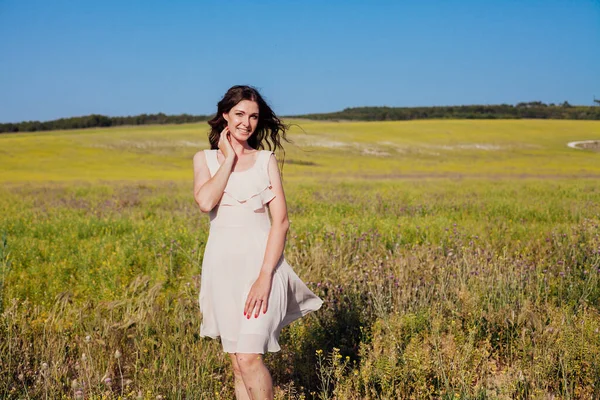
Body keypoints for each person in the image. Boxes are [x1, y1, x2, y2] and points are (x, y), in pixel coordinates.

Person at [192, 85, 323, 399]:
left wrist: (264, 277)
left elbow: (281, 221)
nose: (246, 123)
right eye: (239, 114)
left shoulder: (266, 161)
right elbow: (205, 202)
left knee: (250, 357)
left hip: (263, 271)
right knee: (238, 363)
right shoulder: (205, 160)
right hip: (223, 274)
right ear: (225, 115)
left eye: (253, 116)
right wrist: (228, 160)